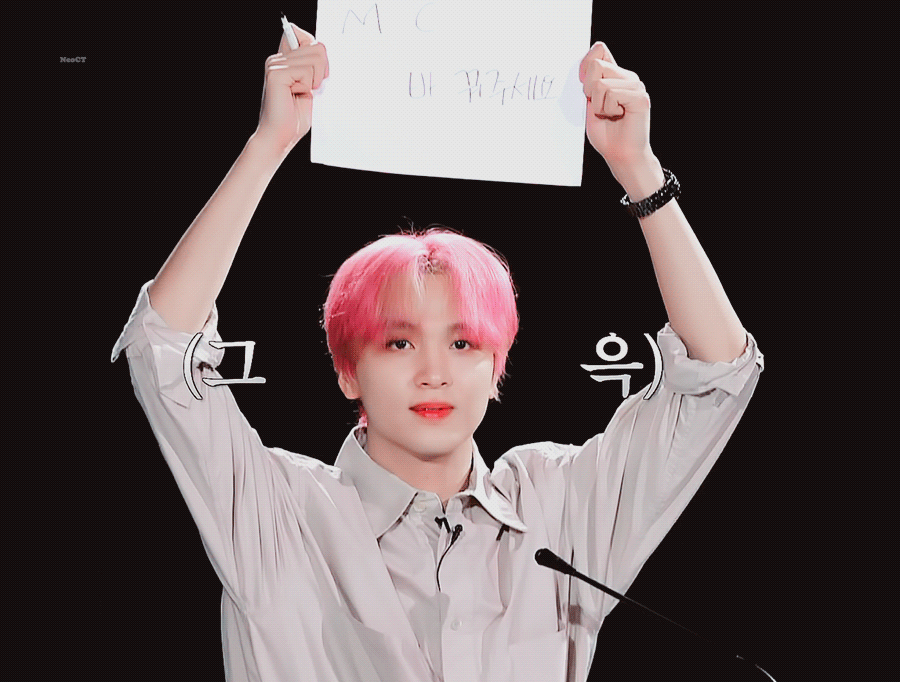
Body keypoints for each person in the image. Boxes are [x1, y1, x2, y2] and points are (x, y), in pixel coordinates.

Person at [112, 24, 762, 682]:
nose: (433, 373)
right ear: (347, 370)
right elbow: (162, 348)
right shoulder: (279, 512)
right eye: (399, 342)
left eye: (462, 342)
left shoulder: (556, 505)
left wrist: (638, 168)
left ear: (496, 366)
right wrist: (268, 144)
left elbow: (716, 374)